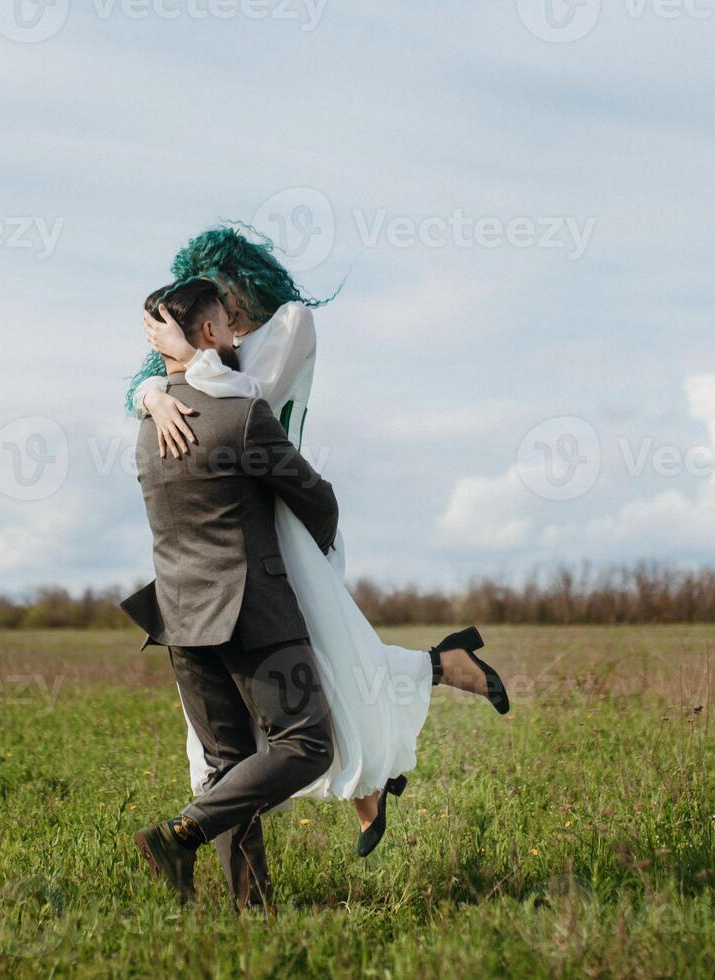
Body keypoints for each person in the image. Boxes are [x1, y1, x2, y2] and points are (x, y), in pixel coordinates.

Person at [126, 228, 509, 860]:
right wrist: (149, 388)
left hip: (284, 526)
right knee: (315, 680)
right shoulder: (204, 364)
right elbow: (174, 401)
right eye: (205, 305)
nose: (218, 312)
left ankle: (373, 770)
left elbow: (252, 403)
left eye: (220, 294)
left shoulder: (290, 325)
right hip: (233, 529)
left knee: (331, 670)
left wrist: (179, 374)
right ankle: (434, 684)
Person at [122, 278, 339, 906]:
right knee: (307, 743)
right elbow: (316, 498)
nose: (238, 332)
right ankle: (179, 833)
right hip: (254, 613)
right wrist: (315, 561)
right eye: (228, 322)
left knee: (226, 766)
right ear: (210, 333)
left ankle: (254, 908)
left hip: (177, 616)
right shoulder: (241, 416)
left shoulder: (148, 424)